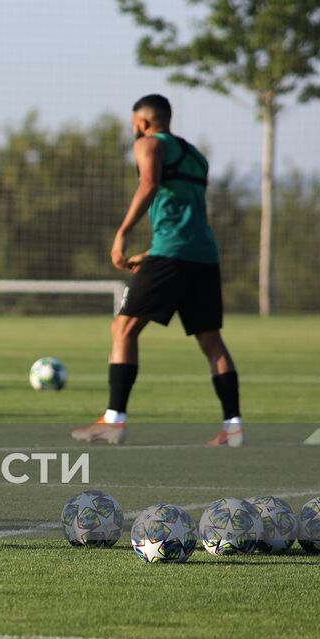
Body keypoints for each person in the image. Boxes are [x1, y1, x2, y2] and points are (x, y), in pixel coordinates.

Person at [72, 94, 242, 447]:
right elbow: (187, 215)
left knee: (123, 329)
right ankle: (233, 427)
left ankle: (114, 420)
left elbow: (149, 185)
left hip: (172, 255)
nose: (132, 129)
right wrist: (152, 251)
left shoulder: (148, 144)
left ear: (143, 122)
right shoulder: (195, 156)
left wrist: (122, 234)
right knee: (212, 342)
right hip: (202, 255)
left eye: (133, 123)